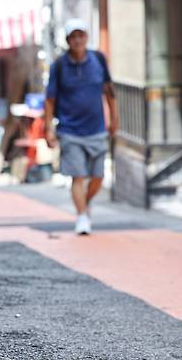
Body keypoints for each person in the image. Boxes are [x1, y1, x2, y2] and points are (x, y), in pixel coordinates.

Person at [44, 18, 119, 235]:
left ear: (86, 37)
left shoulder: (98, 59)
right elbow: (50, 99)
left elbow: (109, 91)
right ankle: (82, 216)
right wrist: (49, 128)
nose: (77, 40)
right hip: (70, 130)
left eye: (81, 35)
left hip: (96, 128)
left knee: (97, 177)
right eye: (73, 37)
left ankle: (83, 205)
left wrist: (115, 119)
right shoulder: (59, 66)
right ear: (68, 40)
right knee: (78, 176)